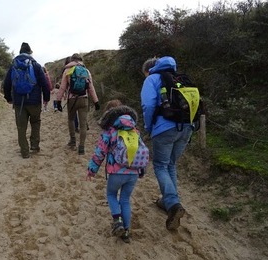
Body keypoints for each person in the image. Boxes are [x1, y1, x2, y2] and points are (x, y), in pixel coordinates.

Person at [140, 56, 192, 230]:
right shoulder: (180, 78)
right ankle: (169, 201)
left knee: (160, 165)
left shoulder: (152, 79)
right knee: (171, 164)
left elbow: (148, 105)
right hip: (186, 127)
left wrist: (148, 126)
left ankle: (173, 205)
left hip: (164, 128)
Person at [86, 99, 146, 243]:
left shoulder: (110, 132)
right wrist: (141, 170)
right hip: (133, 173)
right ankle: (126, 231)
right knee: (125, 200)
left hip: (116, 172)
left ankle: (117, 220)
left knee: (111, 194)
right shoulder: (135, 130)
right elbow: (141, 150)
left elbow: (100, 152)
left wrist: (91, 170)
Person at [3, 42, 50, 158]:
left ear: (20, 52)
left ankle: (24, 151)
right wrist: (46, 98)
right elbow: (44, 84)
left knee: (21, 127)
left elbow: (6, 83)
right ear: (30, 52)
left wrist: (9, 98)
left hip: (19, 102)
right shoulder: (36, 65)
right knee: (35, 122)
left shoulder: (14, 65)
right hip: (35, 102)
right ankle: (34, 145)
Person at [56, 53, 100, 155]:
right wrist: (96, 101)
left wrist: (58, 101)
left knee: (71, 119)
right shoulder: (86, 71)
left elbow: (62, 87)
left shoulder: (67, 70)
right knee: (83, 124)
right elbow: (91, 88)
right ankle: (81, 147)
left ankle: (72, 141)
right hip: (84, 99)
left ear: (72, 60)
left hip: (72, 99)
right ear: (81, 60)